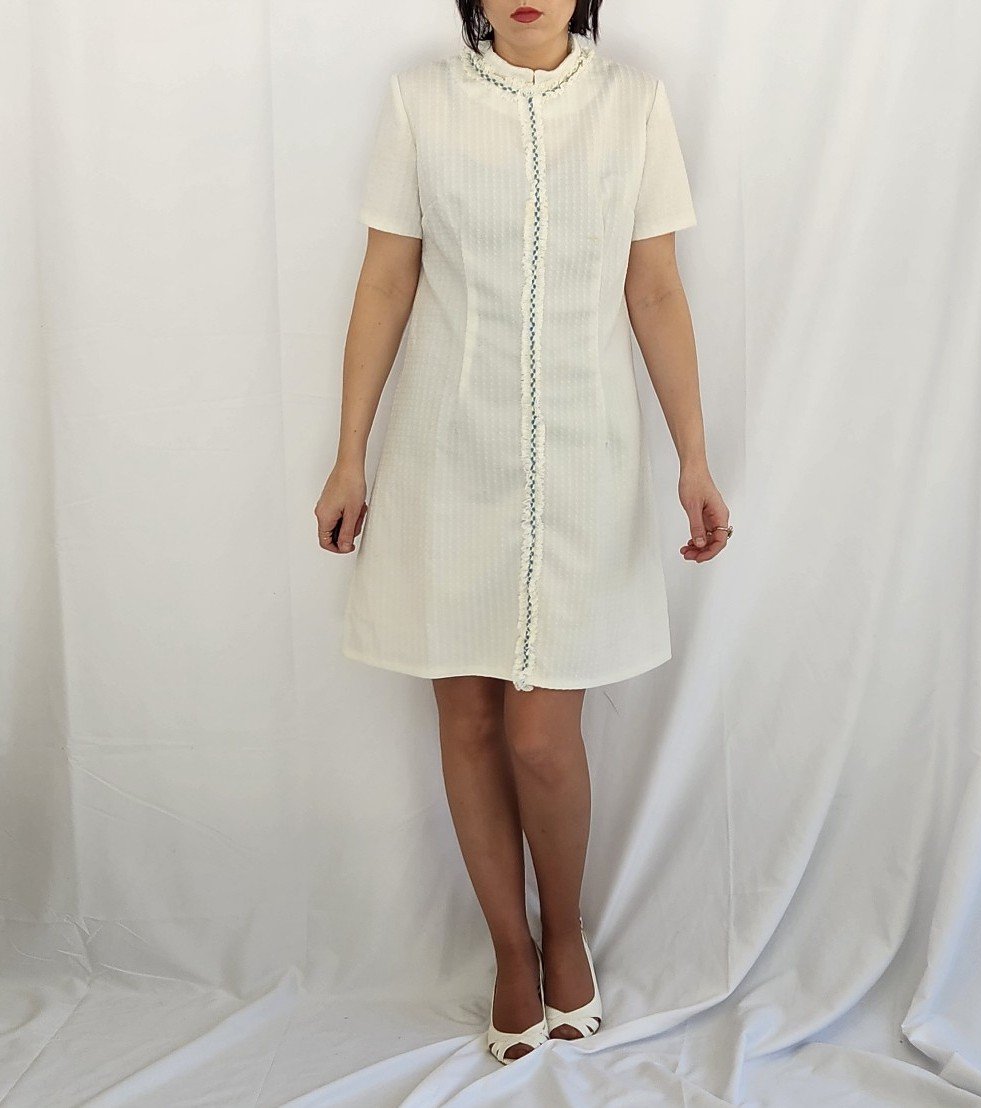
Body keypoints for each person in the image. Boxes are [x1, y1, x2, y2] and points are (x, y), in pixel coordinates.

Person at [315, 0, 730, 1065]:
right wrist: (350, 454)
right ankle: (509, 950)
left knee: (542, 736)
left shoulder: (634, 103)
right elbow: (386, 277)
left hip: (586, 458)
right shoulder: (421, 101)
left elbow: (654, 288)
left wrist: (692, 456)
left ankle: (565, 928)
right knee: (466, 721)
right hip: (446, 455)